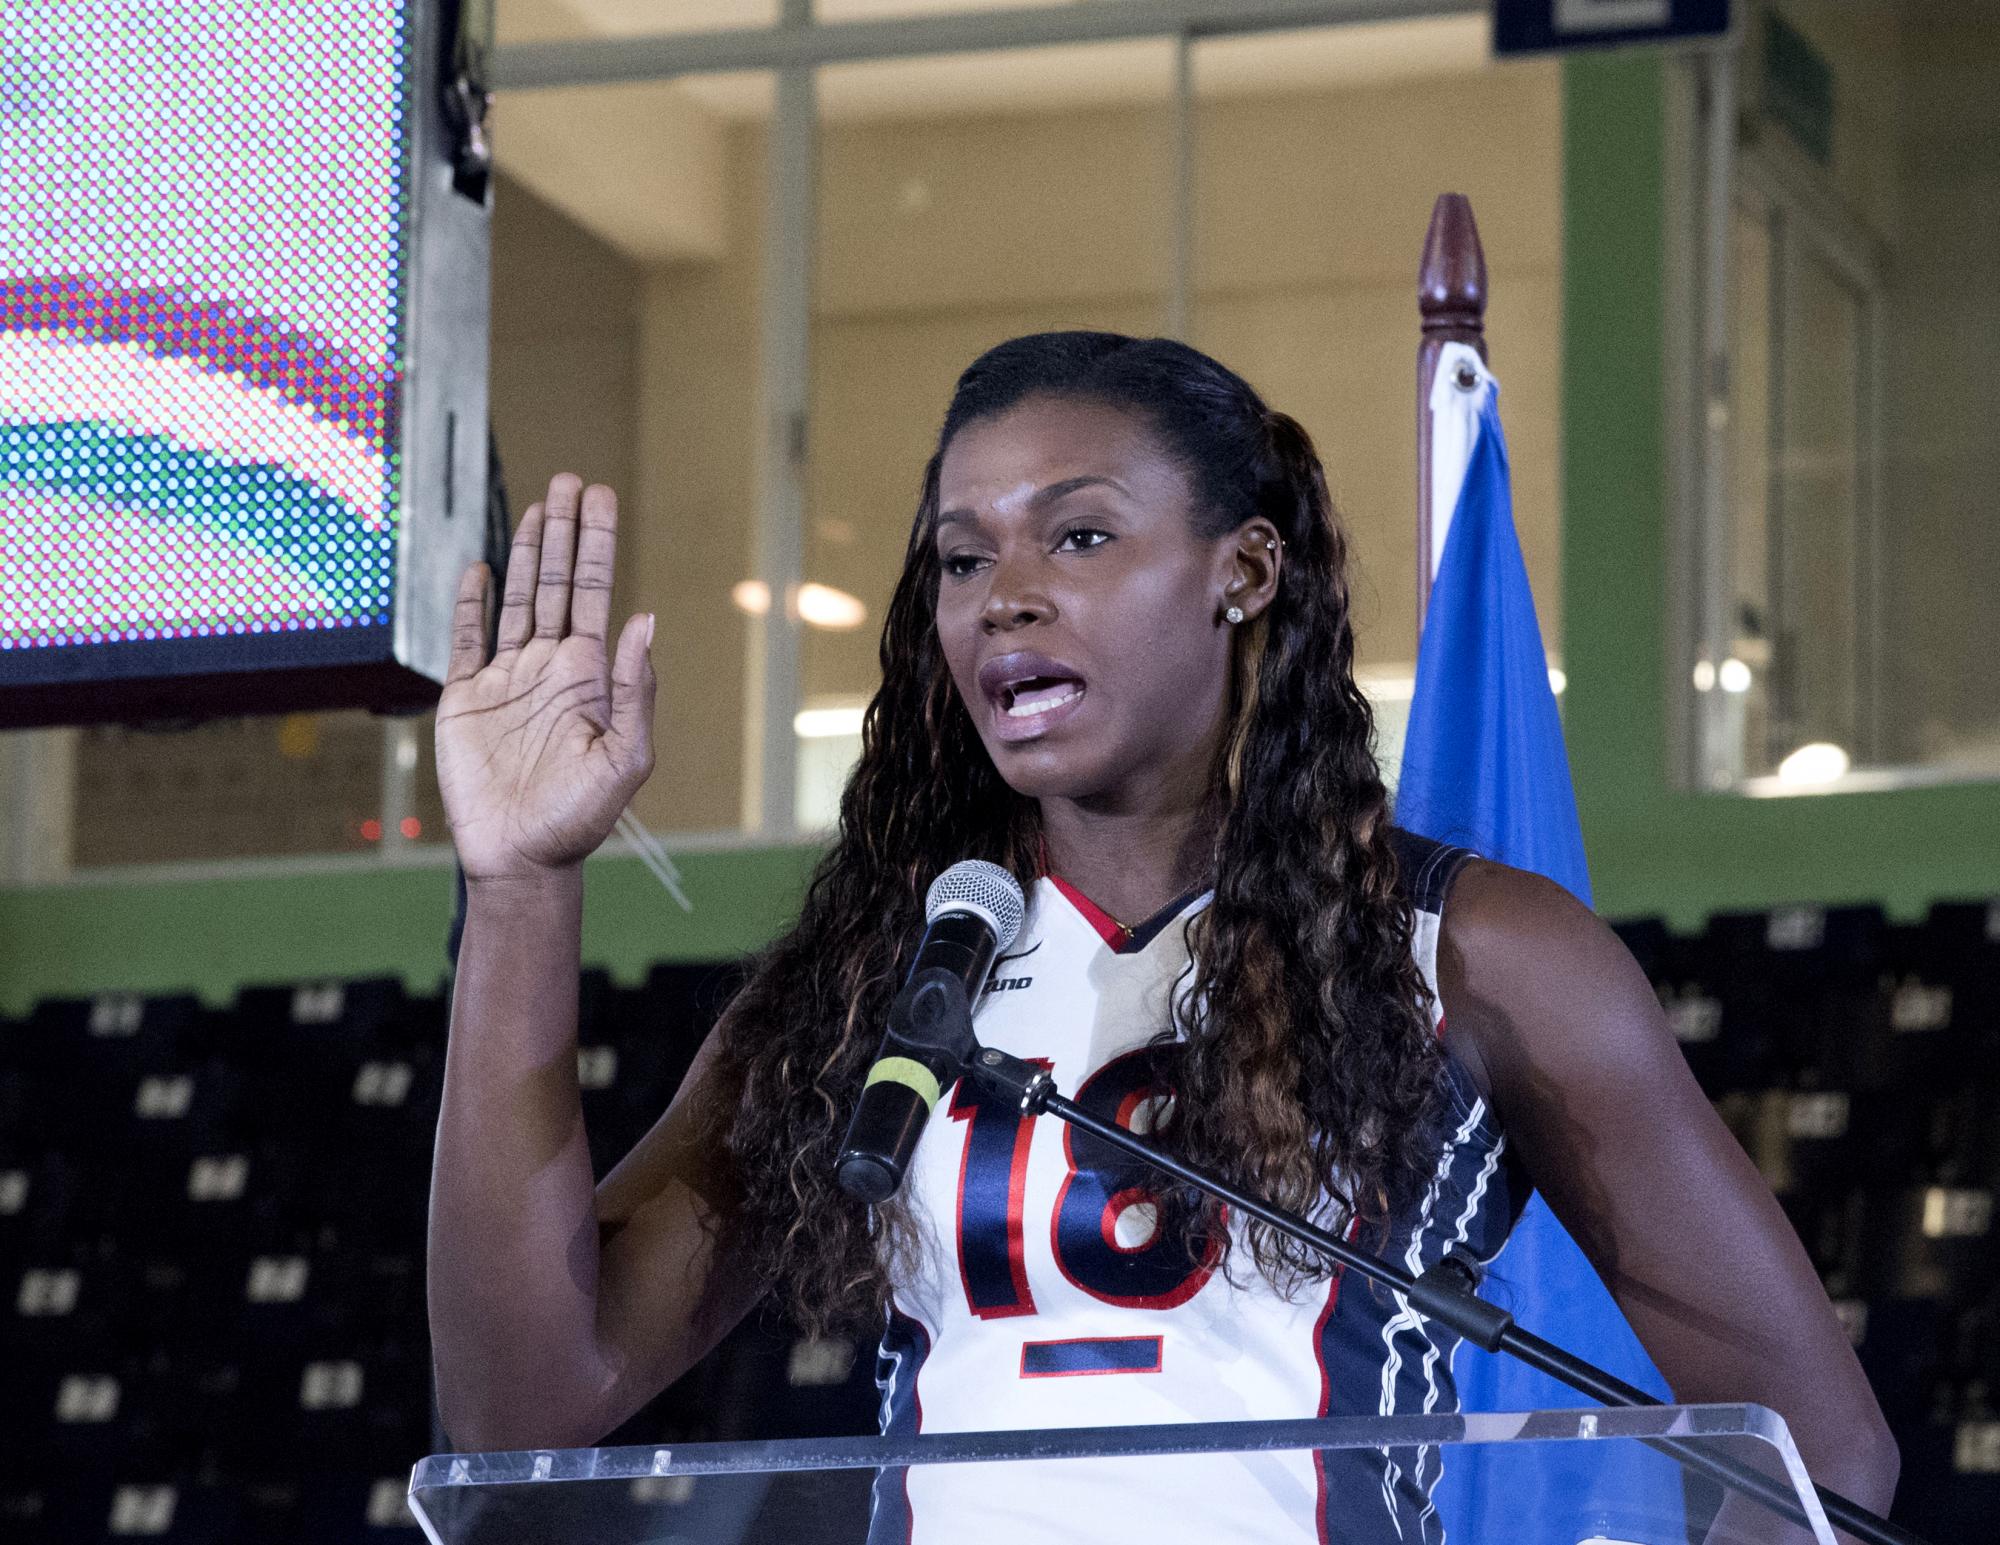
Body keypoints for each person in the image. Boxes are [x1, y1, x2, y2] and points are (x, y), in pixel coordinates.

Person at [427, 332, 1897, 1543]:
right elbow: (527, 1403)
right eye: (958, 557)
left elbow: (1819, 1455)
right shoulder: (876, 979)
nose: (1004, 594)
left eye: (1078, 533)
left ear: (1242, 571)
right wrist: (519, 884)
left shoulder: (1477, 952)